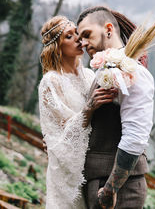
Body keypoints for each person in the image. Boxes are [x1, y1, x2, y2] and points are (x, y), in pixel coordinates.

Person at [77, 6, 155, 209]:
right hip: (99, 182)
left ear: (109, 29)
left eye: (87, 35)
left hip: (120, 191)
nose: (83, 44)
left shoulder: (134, 73)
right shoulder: (103, 71)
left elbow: (135, 138)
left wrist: (110, 189)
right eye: (80, 38)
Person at [38, 15, 117, 208]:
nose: (78, 39)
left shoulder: (91, 75)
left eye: (77, 33)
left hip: (94, 166)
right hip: (67, 174)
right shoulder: (51, 81)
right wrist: (88, 109)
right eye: (68, 36)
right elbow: (60, 134)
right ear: (57, 47)